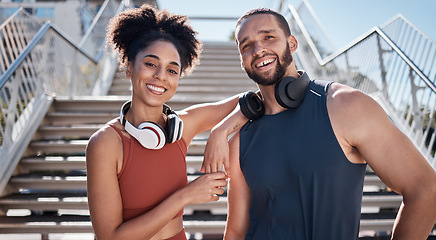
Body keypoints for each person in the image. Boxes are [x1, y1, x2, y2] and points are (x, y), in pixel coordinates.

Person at [201, 7, 436, 240]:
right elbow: (236, 231)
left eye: (268, 37)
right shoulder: (240, 140)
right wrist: (220, 130)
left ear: (292, 44)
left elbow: (426, 189)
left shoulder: (346, 105)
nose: (258, 49)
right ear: (242, 60)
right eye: (246, 45)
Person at [86, 5, 239, 240]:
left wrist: (219, 132)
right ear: (129, 67)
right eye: (150, 64)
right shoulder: (105, 143)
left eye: (172, 70)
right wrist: (185, 195)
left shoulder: (181, 127)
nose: (161, 76)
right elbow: (110, 237)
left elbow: (252, 101)